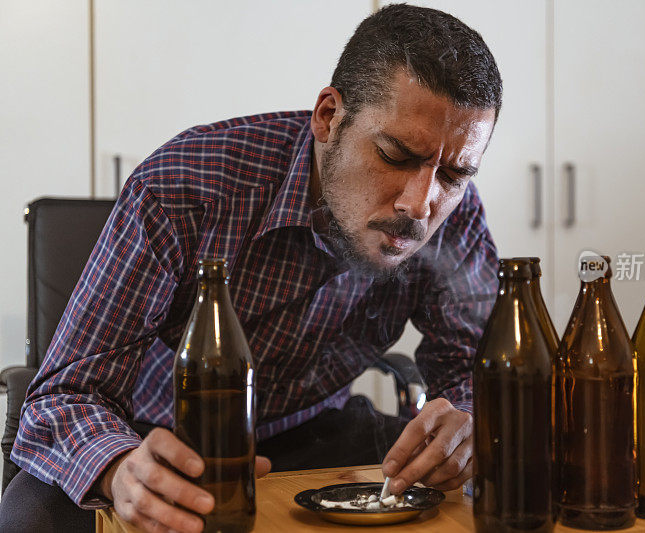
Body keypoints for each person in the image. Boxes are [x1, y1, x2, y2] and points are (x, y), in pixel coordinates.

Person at [0, 4, 502, 532]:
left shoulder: (456, 213)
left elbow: (475, 363)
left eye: (453, 172)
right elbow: (64, 395)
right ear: (328, 117)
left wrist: (468, 424)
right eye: (396, 155)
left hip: (316, 431)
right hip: (160, 435)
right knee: (33, 511)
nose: (420, 206)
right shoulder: (185, 187)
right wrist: (119, 467)